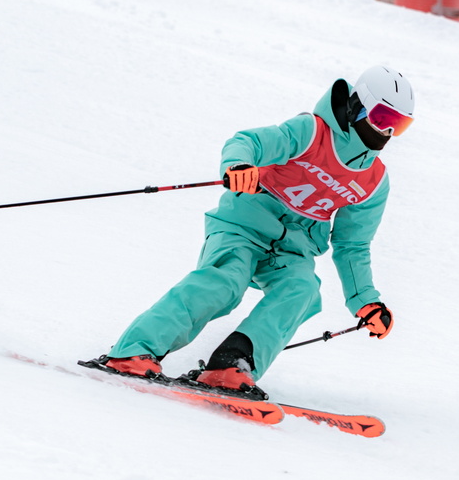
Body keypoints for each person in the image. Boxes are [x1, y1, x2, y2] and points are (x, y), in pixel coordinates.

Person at [87, 66, 414, 399]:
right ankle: (134, 351)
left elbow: (352, 244)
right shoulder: (311, 132)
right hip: (242, 226)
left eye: (399, 125)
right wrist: (239, 166)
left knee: (302, 291)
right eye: (384, 116)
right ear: (358, 105)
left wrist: (365, 301)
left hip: (293, 251)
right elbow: (248, 142)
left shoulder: (373, 181)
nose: (387, 130)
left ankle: (231, 366)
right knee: (224, 282)